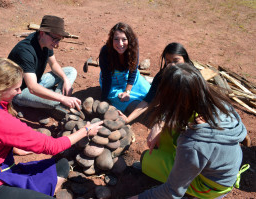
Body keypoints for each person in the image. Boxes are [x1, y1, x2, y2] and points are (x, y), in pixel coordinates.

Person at [0, 58, 103, 198]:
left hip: (3, 169)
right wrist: (85, 131)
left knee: (61, 165)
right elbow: (52, 147)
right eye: (16, 88)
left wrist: (14, 148)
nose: (20, 92)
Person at [128, 63, 249, 199]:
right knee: (168, 131)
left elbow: (172, 192)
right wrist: (159, 125)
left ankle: (193, 193)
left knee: (147, 160)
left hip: (211, 186)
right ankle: (179, 164)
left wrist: (138, 198)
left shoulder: (194, 143)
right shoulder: (217, 105)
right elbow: (172, 113)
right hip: (219, 166)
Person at [8, 15, 81, 119]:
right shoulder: (25, 51)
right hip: (20, 91)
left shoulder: (46, 42)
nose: (57, 44)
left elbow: (54, 64)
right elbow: (32, 88)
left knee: (71, 71)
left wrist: (65, 80)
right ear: (42, 33)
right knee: (55, 99)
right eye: (55, 39)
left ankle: (54, 100)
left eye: (59, 39)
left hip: (37, 81)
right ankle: (55, 102)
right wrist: (61, 98)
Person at [120, 42, 195, 123]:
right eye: (168, 61)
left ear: (185, 59)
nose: (173, 65)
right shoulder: (161, 76)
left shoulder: (193, 76)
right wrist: (128, 119)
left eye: (176, 60)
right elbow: (148, 100)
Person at [99, 22, 151, 113]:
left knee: (150, 95)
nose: (120, 44)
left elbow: (133, 71)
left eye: (124, 39)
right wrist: (103, 99)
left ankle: (144, 79)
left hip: (130, 79)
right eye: (116, 39)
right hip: (112, 83)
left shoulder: (133, 47)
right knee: (132, 106)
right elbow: (107, 78)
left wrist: (127, 92)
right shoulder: (105, 52)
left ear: (129, 40)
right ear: (111, 40)